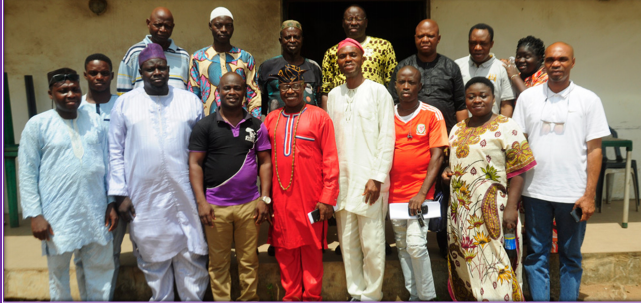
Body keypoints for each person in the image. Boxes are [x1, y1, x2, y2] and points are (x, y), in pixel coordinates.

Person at [108, 44, 209, 301]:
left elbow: (202, 150)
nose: (156, 72)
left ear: (168, 69)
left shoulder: (189, 101)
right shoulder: (125, 104)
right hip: (144, 197)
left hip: (185, 193)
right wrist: (120, 194)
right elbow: (115, 151)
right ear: (140, 72)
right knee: (154, 260)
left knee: (191, 255)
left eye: (161, 67)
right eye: (150, 68)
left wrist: (204, 194)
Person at [513, 42, 610, 301]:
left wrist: (590, 194)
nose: (556, 64)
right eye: (551, 60)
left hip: (573, 195)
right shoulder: (528, 98)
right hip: (535, 192)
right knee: (536, 256)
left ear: (573, 62)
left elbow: (595, 151)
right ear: (544, 63)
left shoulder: (588, 100)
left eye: (563, 59)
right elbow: (518, 145)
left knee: (571, 257)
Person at [19, 68, 118, 301]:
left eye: (75, 89)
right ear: (50, 94)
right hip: (56, 216)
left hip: (95, 211)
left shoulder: (93, 120)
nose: (71, 94)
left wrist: (111, 202)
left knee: (101, 272)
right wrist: (35, 214)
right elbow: (27, 172)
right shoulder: (38, 125)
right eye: (63, 90)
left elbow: (107, 163)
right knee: (59, 277)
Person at [442, 77, 536, 301]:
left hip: (493, 211)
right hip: (460, 213)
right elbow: (455, 161)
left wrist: (511, 208)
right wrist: (447, 170)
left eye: (483, 95)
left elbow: (519, 171)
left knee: (496, 263)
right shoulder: (457, 128)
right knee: (465, 262)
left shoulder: (507, 126)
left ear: (493, 98)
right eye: (471, 96)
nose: (477, 100)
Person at [188, 72, 272, 301]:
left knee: (249, 261)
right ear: (218, 93)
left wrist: (264, 199)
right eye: (227, 88)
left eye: (237, 88)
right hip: (216, 207)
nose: (232, 92)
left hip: (250, 205)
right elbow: (195, 164)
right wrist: (202, 202)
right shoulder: (205, 126)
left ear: (245, 92)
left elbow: (265, 162)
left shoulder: (256, 125)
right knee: (218, 263)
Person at [326, 38, 395, 301]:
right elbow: (330, 141)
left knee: (373, 243)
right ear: (338, 62)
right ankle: (355, 293)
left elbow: (387, 137)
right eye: (343, 56)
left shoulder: (379, 92)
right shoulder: (333, 95)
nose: (348, 60)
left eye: (353, 55)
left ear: (363, 59)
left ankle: (372, 295)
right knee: (348, 243)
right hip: (343, 181)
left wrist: (377, 177)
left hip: (370, 181)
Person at [263, 64, 339, 301]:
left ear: (305, 87)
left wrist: (327, 198)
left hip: (312, 201)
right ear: (279, 90)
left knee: (312, 252)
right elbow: (262, 161)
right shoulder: (271, 120)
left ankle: (312, 298)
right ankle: (292, 297)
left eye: (295, 85)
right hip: (282, 201)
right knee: (285, 252)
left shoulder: (320, 116)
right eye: (285, 86)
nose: (290, 91)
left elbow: (331, 159)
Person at [389, 66, 448, 301]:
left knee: (415, 245)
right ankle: (414, 295)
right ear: (395, 85)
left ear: (420, 86)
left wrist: (422, 194)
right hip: (394, 195)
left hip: (420, 194)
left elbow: (438, 155)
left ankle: (427, 297)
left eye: (411, 82)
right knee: (403, 246)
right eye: (401, 82)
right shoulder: (386, 114)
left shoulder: (432, 114)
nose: (406, 87)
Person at [77, 53, 121, 300]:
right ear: (85, 75)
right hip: (88, 192)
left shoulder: (122, 104)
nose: (99, 77)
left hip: (119, 190)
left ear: (112, 75)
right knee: (84, 252)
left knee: (111, 252)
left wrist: (117, 197)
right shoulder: (76, 107)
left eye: (104, 72)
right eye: (93, 73)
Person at [388, 19, 467, 133]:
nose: (425, 40)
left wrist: (462, 136)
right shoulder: (403, 67)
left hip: (445, 133)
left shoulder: (451, 67)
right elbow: (392, 104)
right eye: (420, 36)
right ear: (415, 38)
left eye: (430, 36)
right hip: (411, 134)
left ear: (438, 39)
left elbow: (460, 107)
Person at [188, 7, 261, 118]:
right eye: (218, 25)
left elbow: (253, 94)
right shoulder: (198, 58)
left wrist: (254, 124)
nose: (223, 29)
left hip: (240, 124)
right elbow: (193, 94)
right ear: (210, 26)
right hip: (208, 123)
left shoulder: (245, 57)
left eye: (228, 25)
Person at [321, 4, 397, 110]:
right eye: (349, 19)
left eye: (358, 19)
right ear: (343, 23)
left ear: (366, 23)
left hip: (375, 105)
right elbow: (326, 90)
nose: (353, 23)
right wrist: (327, 119)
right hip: (342, 105)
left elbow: (392, 83)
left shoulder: (383, 46)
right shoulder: (332, 52)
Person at [116, 7, 190, 95]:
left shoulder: (183, 56)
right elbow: (123, 92)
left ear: (173, 27)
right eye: (158, 25)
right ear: (148, 23)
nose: (163, 29)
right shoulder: (134, 53)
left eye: (167, 26)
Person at [258, 20, 322, 115]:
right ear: (280, 40)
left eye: (296, 37)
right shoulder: (267, 67)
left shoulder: (313, 67)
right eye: (288, 37)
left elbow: (319, 100)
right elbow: (259, 101)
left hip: (309, 124)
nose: (292, 40)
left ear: (302, 40)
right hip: (276, 124)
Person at [455, 24, 515, 117]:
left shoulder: (502, 68)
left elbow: (506, 105)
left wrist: (503, 128)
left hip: (492, 128)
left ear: (491, 44)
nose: (477, 48)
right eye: (473, 43)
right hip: (463, 127)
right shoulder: (457, 66)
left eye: (483, 43)